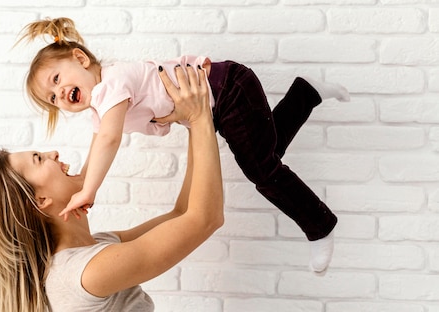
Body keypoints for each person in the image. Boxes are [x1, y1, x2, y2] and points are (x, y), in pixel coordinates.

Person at [20, 17, 350, 272]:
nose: (59, 94)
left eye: (57, 80)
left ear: (81, 59)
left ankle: (320, 224)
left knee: (263, 171)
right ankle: (306, 93)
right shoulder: (100, 109)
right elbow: (98, 144)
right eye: (52, 98)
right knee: (266, 154)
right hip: (218, 103)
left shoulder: (112, 82)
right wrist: (80, 184)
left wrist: (89, 191)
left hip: (228, 88)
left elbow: (109, 139)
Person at [0, 65, 223, 311]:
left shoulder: (93, 249)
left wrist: (196, 123)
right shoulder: (86, 273)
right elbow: (205, 219)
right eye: (39, 159)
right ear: (39, 200)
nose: (53, 153)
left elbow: (182, 214)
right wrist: (198, 117)